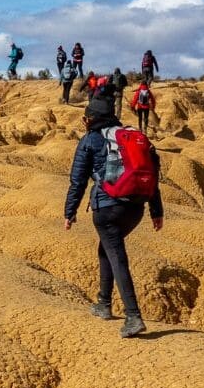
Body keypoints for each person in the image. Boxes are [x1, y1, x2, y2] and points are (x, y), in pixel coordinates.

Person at [64, 82, 164, 338]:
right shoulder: (130, 137)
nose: (84, 122)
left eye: (86, 118)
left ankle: (133, 316)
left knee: (116, 255)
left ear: (91, 119)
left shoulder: (90, 140)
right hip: (135, 208)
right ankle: (104, 303)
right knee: (106, 250)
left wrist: (70, 212)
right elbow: (151, 172)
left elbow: (78, 179)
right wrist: (156, 211)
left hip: (107, 208)